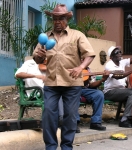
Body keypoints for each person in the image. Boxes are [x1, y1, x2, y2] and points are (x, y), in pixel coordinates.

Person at [33, 4, 95, 150]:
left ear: (67, 19)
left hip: (72, 83)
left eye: (61, 18)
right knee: (49, 114)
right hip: (52, 83)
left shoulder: (77, 35)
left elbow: (90, 54)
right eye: (55, 18)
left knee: (70, 116)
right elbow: (37, 59)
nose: (57, 21)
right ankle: (50, 146)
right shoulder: (45, 37)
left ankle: (67, 146)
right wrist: (39, 56)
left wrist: (80, 67)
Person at [103, 43, 132, 128]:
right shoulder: (109, 65)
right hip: (110, 92)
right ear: (111, 57)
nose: (119, 53)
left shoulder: (122, 62)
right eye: (117, 52)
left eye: (120, 52)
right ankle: (124, 119)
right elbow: (118, 76)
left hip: (121, 91)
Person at [76, 65, 109, 132]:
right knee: (74, 96)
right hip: (72, 89)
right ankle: (73, 123)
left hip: (85, 90)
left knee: (99, 94)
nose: (83, 60)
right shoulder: (72, 66)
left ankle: (95, 122)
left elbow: (91, 85)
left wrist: (102, 80)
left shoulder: (88, 70)